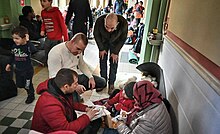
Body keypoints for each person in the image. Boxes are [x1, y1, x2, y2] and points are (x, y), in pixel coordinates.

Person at [31, 68, 102, 133]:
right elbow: (66, 129)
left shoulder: (59, 88)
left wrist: (85, 108)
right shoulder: (49, 104)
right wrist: (87, 117)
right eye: (75, 83)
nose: (77, 85)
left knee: (97, 120)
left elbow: (70, 103)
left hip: (64, 123)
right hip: (52, 131)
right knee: (89, 128)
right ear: (66, 86)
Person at [93, 13, 128, 95]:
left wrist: (116, 52)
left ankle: (111, 83)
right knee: (102, 61)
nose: (109, 30)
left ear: (117, 24)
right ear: (104, 21)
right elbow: (96, 34)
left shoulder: (123, 22)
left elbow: (123, 38)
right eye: (106, 27)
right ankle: (103, 82)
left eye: (112, 28)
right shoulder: (99, 20)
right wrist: (101, 48)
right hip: (103, 41)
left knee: (114, 62)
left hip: (116, 42)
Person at [5, 26, 37, 104]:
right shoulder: (14, 46)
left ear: (24, 38)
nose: (14, 40)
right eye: (13, 38)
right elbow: (12, 56)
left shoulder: (28, 46)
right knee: (19, 84)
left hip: (28, 70)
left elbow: (34, 50)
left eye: (17, 38)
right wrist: (9, 64)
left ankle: (31, 95)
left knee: (27, 85)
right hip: (18, 70)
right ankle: (27, 88)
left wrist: (28, 41)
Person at [40, 0, 69, 64]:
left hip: (57, 38)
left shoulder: (57, 12)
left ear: (50, 2)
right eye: (41, 1)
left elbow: (63, 25)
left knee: (56, 55)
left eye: (44, 1)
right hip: (48, 38)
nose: (42, 3)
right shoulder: (43, 12)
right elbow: (44, 23)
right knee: (47, 53)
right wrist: (42, 30)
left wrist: (66, 39)